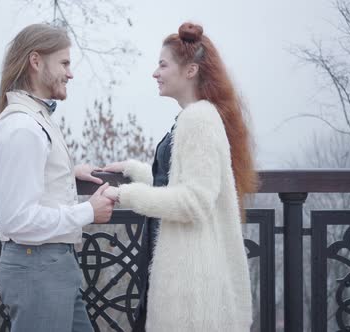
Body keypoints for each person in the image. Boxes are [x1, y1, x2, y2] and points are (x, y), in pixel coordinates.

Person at [102, 22, 258, 331]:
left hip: (190, 287)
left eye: (162, 64)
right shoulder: (195, 116)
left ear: (190, 71)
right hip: (184, 274)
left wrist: (124, 195)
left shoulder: (198, 119)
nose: (155, 72)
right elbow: (176, 183)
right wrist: (134, 171)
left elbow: (194, 201)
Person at [0, 23, 115, 332]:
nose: (70, 73)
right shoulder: (23, 127)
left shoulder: (34, 119)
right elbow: (16, 220)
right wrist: (88, 212)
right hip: (38, 269)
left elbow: (28, 175)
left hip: (50, 267)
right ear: (36, 61)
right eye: (64, 63)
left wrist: (66, 174)